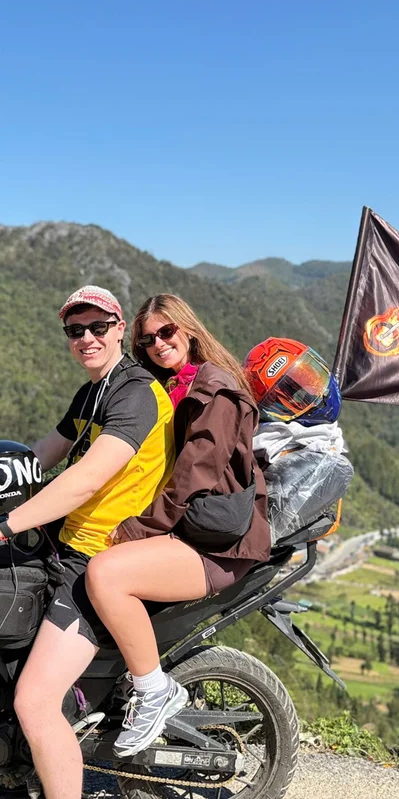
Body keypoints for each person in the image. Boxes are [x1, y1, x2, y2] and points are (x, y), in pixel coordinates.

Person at [0, 285, 175, 799]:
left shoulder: (135, 393)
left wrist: (3, 525)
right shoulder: (94, 391)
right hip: (67, 545)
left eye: (99, 327)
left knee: (34, 700)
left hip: (98, 559)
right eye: (76, 330)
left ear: (120, 329)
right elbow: (41, 456)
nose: (87, 338)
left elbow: (87, 478)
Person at [84, 293, 272, 757]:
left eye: (166, 333)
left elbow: (195, 475)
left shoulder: (215, 391)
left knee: (106, 574)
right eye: (147, 340)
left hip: (216, 544)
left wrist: (139, 528)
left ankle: (153, 691)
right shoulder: (171, 388)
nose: (157, 344)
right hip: (186, 530)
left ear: (187, 329)